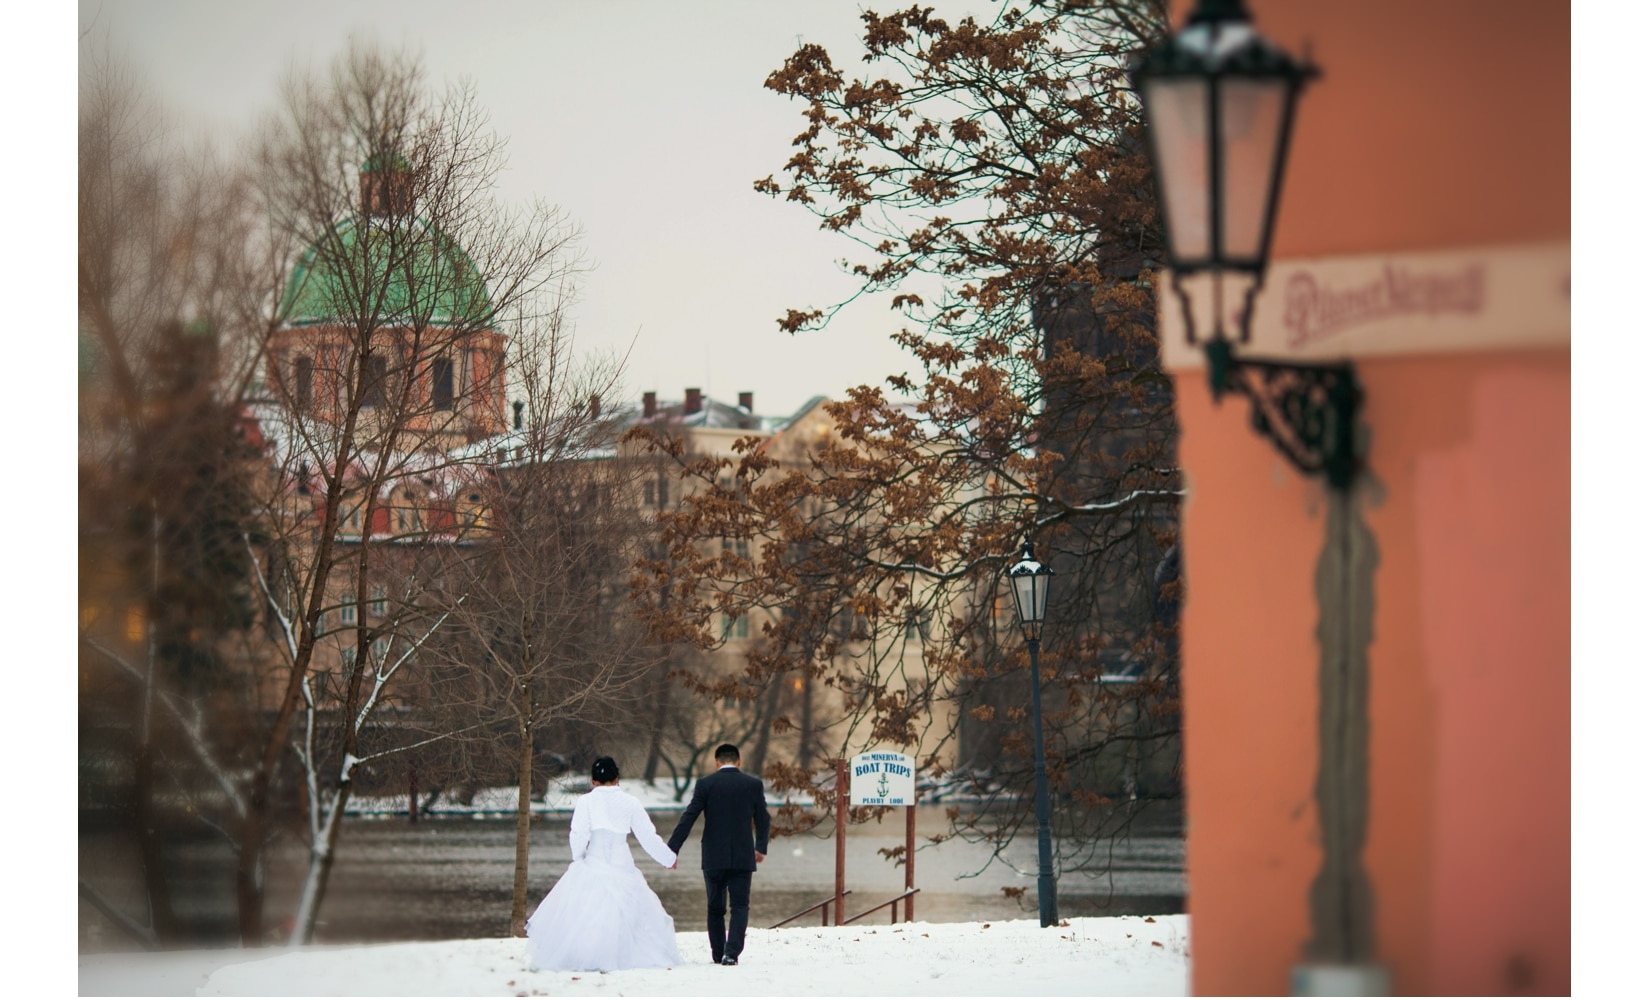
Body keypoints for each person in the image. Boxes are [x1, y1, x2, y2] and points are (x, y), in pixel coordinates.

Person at [524, 757, 682, 972]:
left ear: (594, 781)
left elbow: (578, 834)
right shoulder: (630, 802)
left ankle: (587, 955)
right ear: (617, 778)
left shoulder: (586, 802)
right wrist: (668, 858)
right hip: (622, 864)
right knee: (630, 912)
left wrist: (578, 858)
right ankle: (626, 955)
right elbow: (647, 837)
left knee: (587, 913)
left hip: (594, 861)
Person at [665, 743, 771, 966]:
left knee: (715, 908)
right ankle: (731, 953)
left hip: (713, 856)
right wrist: (760, 846)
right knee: (740, 906)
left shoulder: (706, 784)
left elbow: (689, 817)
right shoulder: (753, 784)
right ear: (739, 761)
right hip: (743, 856)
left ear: (717, 762)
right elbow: (763, 818)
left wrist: (672, 849)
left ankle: (717, 953)